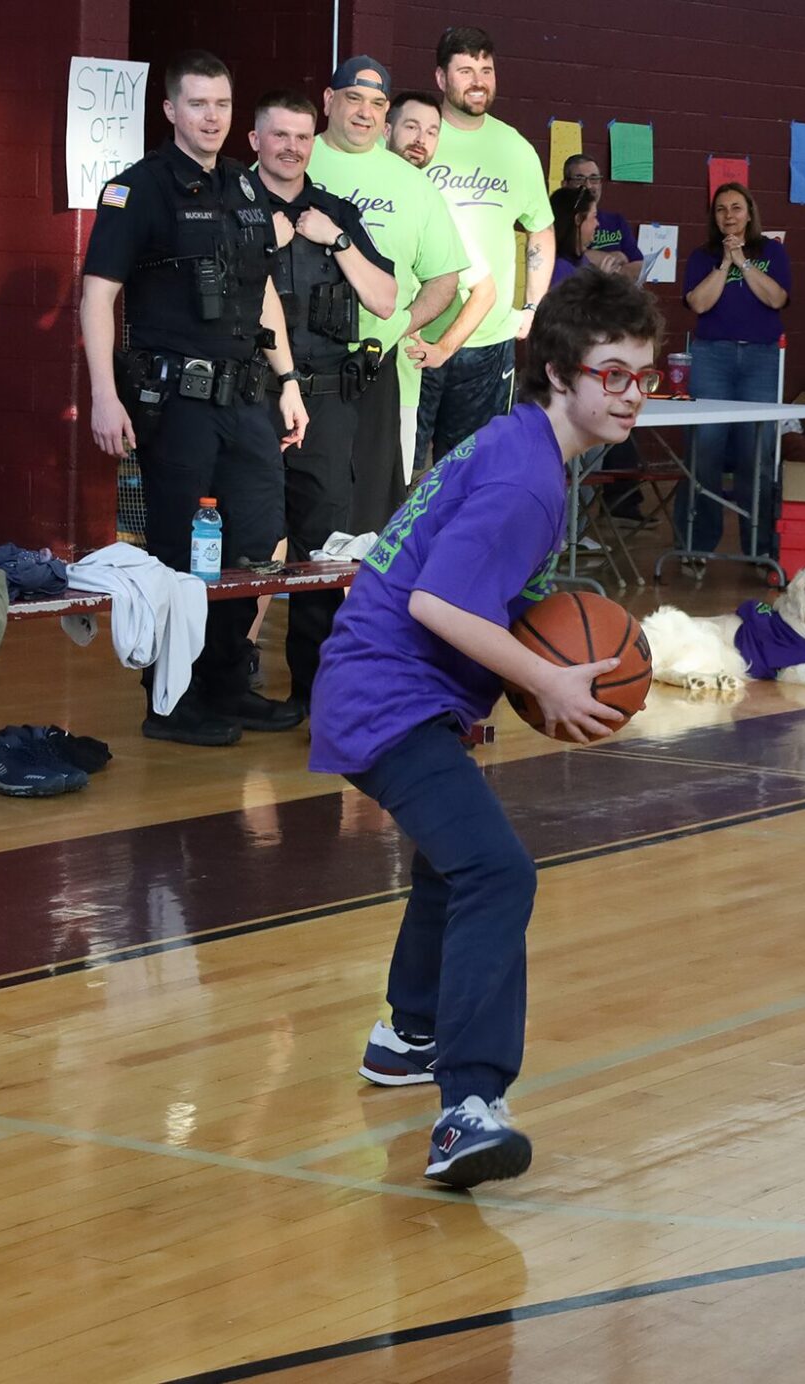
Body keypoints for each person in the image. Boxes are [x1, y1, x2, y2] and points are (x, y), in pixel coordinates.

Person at [311, 271, 666, 1188]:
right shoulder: (527, 481)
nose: (630, 393)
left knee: (452, 860)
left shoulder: (520, 446)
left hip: (386, 684)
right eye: (613, 374)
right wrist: (544, 673)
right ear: (559, 373)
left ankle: (409, 1034)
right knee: (496, 871)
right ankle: (467, 1106)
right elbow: (434, 600)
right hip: (385, 693)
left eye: (644, 376)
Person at [79, 50, 310, 745]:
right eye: (198, 104)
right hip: (174, 402)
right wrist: (102, 394)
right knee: (181, 556)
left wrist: (290, 380)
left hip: (245, 397)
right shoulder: (138, 189)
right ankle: (170, 704)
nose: (211, 117)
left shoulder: (244, 187)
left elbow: (261, 287)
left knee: (256, 539)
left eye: (222, 105)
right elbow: (97, 297)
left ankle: (225, 685)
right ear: (171, 111)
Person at [248, 91, 400, 713]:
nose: (291, 147)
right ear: (254, 140)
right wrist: (269, 245)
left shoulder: (334, 212)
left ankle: (312, 695)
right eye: (279, 135)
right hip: (253, 397)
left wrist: (335, 240)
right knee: (247, 545)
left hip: (330, 404)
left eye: (302, 137)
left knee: (321, 550)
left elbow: (386, 300)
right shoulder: (234, 208)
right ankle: (230, 683)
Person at [308, 61, 467, 531]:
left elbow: (444, 279)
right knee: (289, 515)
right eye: (354, 98)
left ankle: (362, 608)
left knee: (375, 522)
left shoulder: (413, 184)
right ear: (328, 100)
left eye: (377, 104)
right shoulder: (295, 156)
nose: (364, 113)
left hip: (385, 375)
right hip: (296, 378)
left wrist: (403, 325)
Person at [422, 26, 556, 457]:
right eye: (465, 70)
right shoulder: (416, 135)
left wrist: (532, 307)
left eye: (486, 69)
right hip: (412, 333)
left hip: (487, 341)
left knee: (469, 468)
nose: (478, 80)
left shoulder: (515, 148)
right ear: (441, 78)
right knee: (396, 469)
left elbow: (541, 226)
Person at [383, 88, 494, 477]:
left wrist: (443, 348)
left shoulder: (432, 203)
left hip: (401, 380)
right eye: (411, 126)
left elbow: (485, 288)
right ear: (385, 130)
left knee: (393, 494)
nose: (421, 140)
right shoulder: (358, 184)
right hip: (327, 375)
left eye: (432, 132)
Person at [679, 182, 792, 554]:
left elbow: (776, 298)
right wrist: (725, 263)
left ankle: (758, 549)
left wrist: (742, 262)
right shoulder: (702, 256)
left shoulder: (771, 252)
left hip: (760, 359)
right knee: (705, 450)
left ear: (749, 213)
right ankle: (697, 544)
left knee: (756, 454)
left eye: (736, 208)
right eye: (721, 209)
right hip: (713, 357)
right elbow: (699, 304)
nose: (729, 215)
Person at [560, 154, 641, 279]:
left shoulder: (616, 221)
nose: (588, 185)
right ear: (564, 185)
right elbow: (564, 259)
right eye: (579, 179)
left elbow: (639, 267)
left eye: (594, 178)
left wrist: (607, 270)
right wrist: (612, 260)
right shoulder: (556, 222)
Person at [549, 185, 597, 287]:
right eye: (594, 216)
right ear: (578, 219)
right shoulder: (559, 269)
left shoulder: (583, 261)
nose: (597, 223)